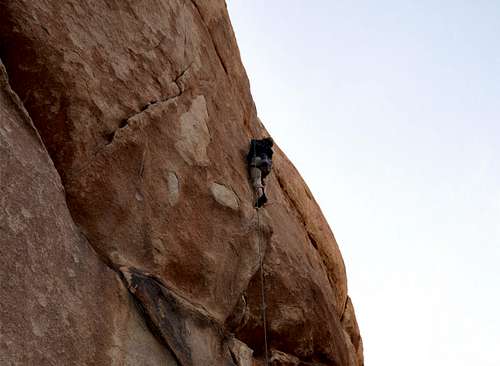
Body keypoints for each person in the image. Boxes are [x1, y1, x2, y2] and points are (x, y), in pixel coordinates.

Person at [247, 138, 274, 208]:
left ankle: (261, 196)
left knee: (256, 180)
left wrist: (249, 159)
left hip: (258, 160)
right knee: (263, 180)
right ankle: (263, 195)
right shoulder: (270, 151)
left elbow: (252, 151)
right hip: (267, 166)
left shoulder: (257, 142)